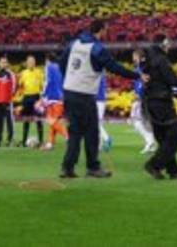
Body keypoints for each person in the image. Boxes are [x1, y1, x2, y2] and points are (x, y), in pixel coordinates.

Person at [58, 19, 140, 179]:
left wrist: (70, 79)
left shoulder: (73, 44)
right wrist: (136, 75)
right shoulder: (97, 48)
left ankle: (67, 168)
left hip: (69, 92)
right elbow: (114, 67)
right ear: (102, 30)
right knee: (91, 131)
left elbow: (62, 63)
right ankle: (93, 167)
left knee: (74, 132)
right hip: (85, 94)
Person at [139, 35, 177, 179]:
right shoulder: (161, 60)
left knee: (163, 138)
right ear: (162, 44)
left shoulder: (147, 58)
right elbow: (172, 80)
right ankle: (154, 164)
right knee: (174, 137)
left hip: (149, 102)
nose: (169, 46)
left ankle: (174, 171)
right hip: (162, 102)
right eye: (167, 44)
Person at [130, 49, 157, 154]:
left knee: (136, 121)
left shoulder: (141, 70)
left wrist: (138, 94)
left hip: (141, 99)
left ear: (140, 58)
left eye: (135, 56)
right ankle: (151, 143)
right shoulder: (138, 69)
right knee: (145, 122)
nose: (133, 59)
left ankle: (149, 141)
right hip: (143, 98)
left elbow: (142, 84)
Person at [41, 52, 68, 151]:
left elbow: (47, 81)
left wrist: (43, 95)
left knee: (51, 120)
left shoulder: (48, 67)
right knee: (53, 121)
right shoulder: (60, 67)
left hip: (52, 98)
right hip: (61, 97)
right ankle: (50, 144)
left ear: (47, 59)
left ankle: (67, 137)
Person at [17, 55, 45, 147]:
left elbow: (42, 86)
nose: (31, 63)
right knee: (26, 120)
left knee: (38, 120)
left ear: (35, 63)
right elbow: (20, 86)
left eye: (33, 61)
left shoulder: (39, 72)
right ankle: (24, 140)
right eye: (29, 61)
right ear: (27, 63)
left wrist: (41, 98)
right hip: (26, 97)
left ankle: (41, 141)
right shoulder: (23, 73)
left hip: (36, 97)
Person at [0, 55, 17, 147]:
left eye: (5, 62)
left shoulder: (11, 74)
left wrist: (9, 98)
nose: (3, 64)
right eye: (2, 62)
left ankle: (10, 140)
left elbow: (13, 88)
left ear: (7, 64)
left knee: (10, 121)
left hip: (7, 101)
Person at [95, 74, 112, 152]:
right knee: (96, 123)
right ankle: (99, 144)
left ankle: (106, 138)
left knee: (95, 123)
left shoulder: (98, 74)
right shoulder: (101, 74)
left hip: (98, 100)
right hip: (100, 100)